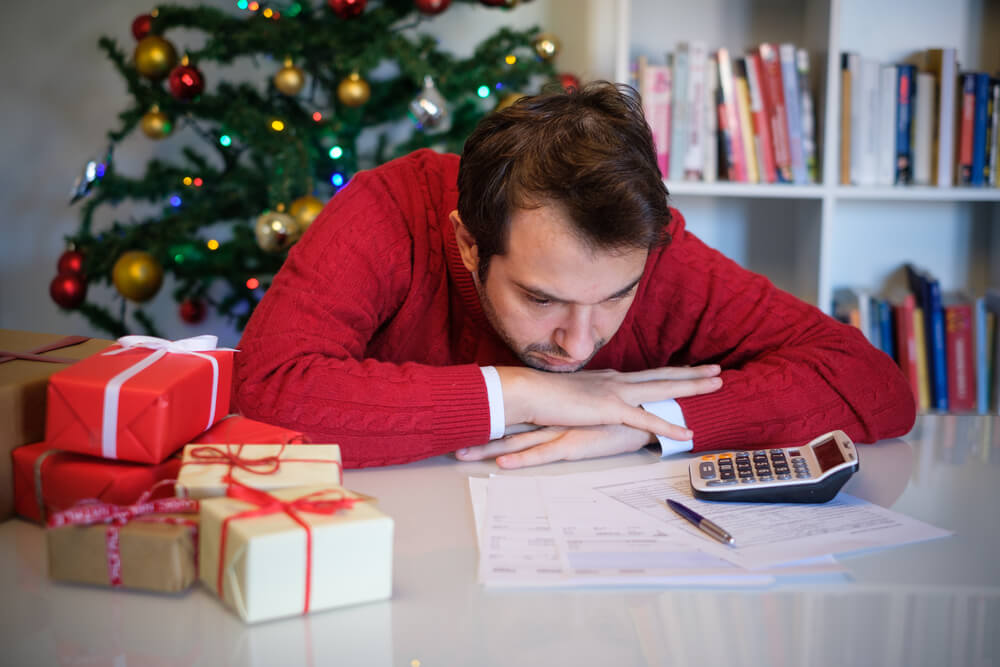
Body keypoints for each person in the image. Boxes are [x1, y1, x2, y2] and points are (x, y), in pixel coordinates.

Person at [233, 81, 915, 469]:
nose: (579, 345)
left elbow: (875, 385)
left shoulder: (658, 250)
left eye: (616, 296)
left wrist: (648, 422)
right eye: (541, 297)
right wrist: (526, 393)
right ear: (469, 244)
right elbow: (266, 388)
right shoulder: (389, 209)